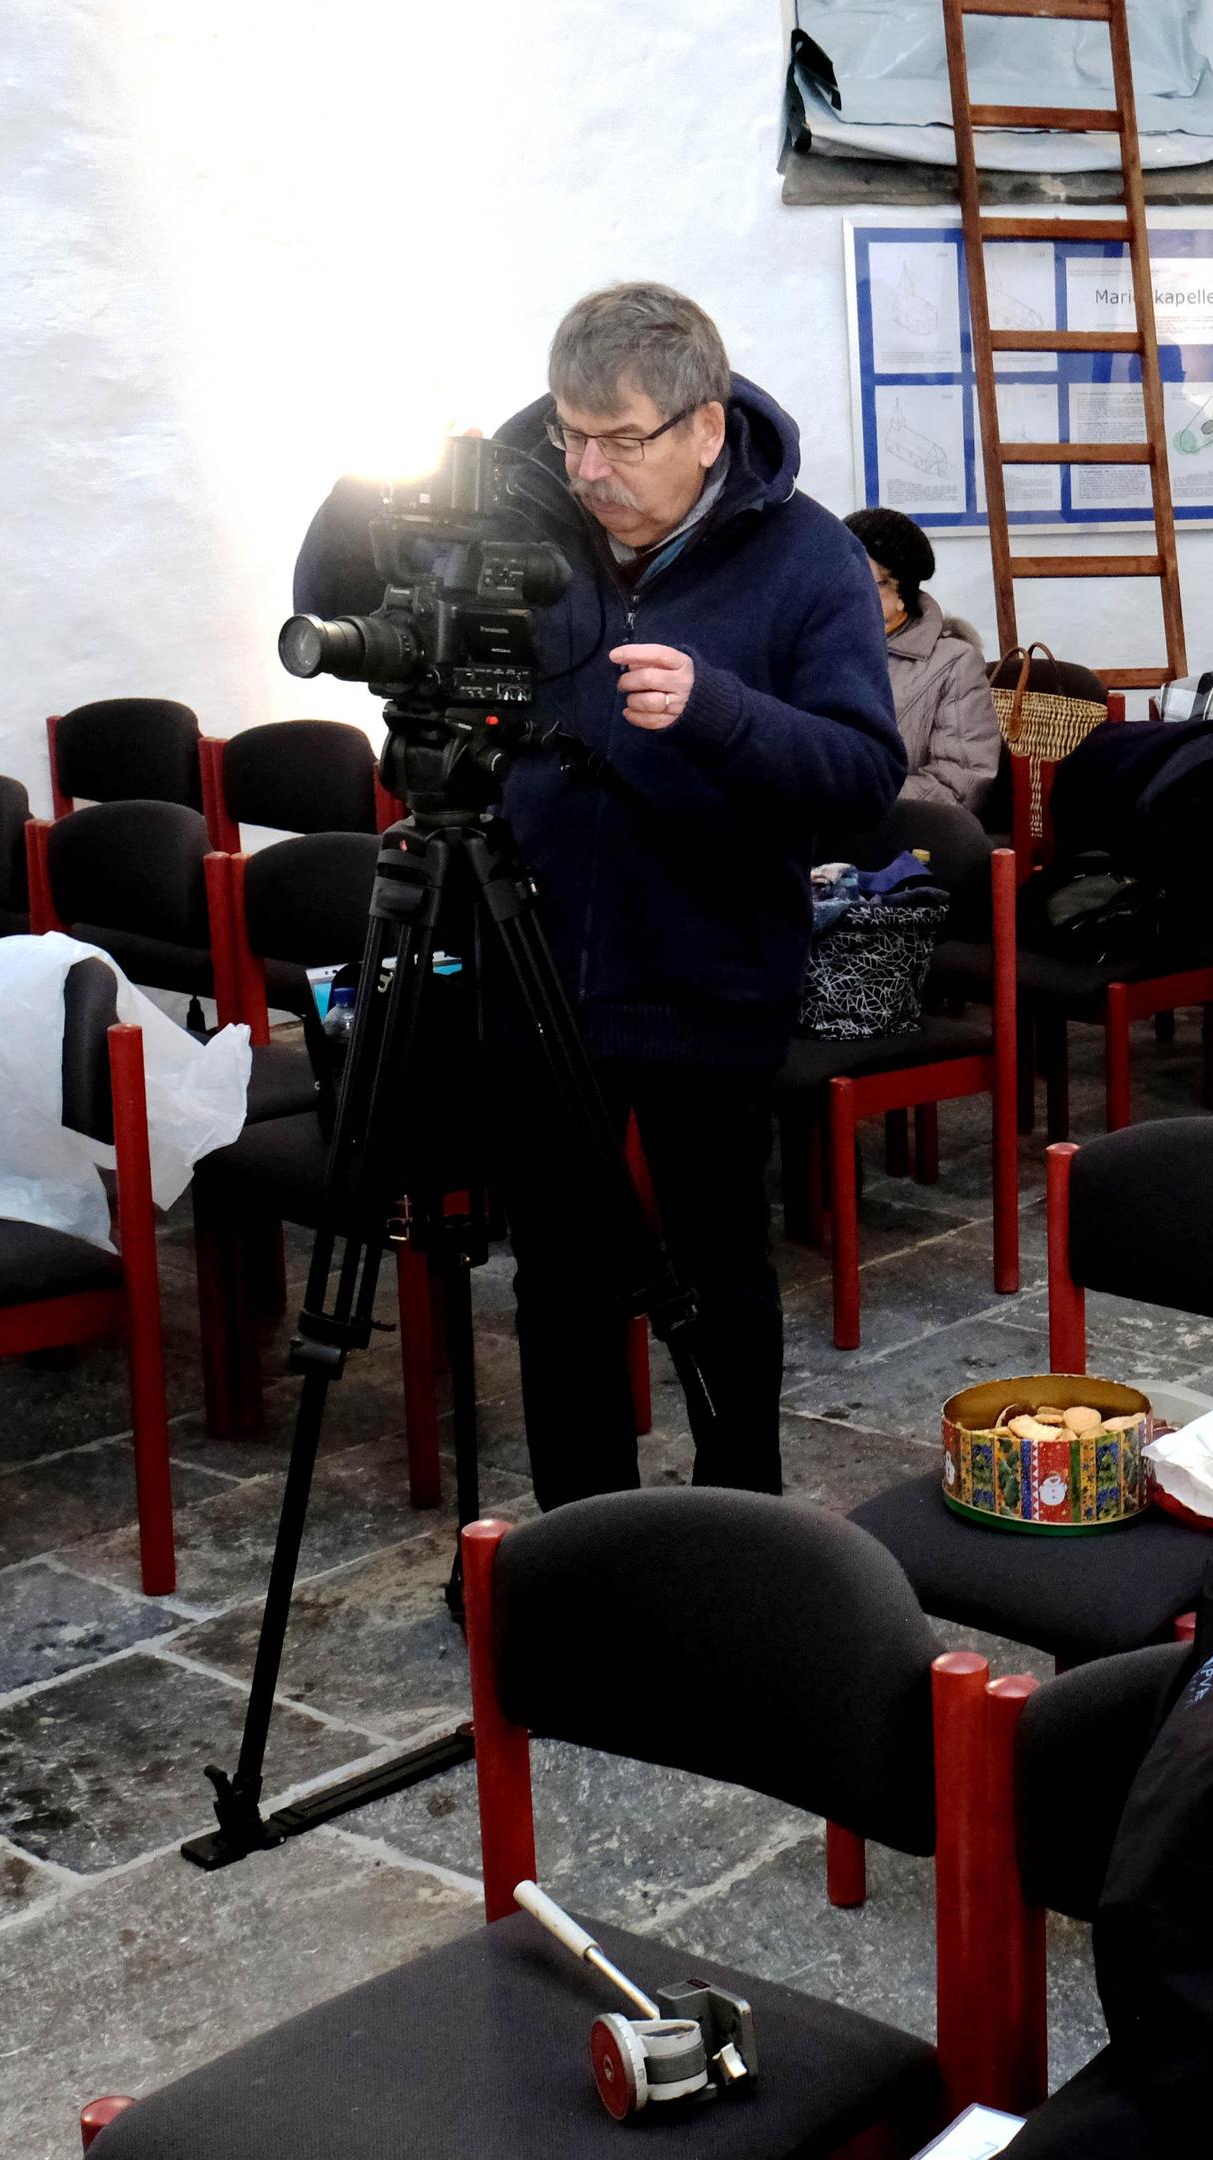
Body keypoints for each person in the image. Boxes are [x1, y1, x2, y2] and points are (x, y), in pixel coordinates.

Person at [290, 280, 904, 1506]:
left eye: (622, 439)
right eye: (572, 432)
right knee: (559, 1279)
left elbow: (863, 780)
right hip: (535, 971)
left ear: (705, 428)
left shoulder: (808, 558)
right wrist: (378, 475)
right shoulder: (523, 514)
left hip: (710, 973)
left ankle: (739, 1537)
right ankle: (583, 1549)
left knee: (720, 1275)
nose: (590, 467)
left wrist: (719, 712)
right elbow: (330, 594)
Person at [844, 506, 1003, 815]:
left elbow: (960, 786)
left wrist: (854, 798)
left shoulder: (953, 663)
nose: (844, 587)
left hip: (897, 836)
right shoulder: (818, 647)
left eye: (862, 577)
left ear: (900, 588)